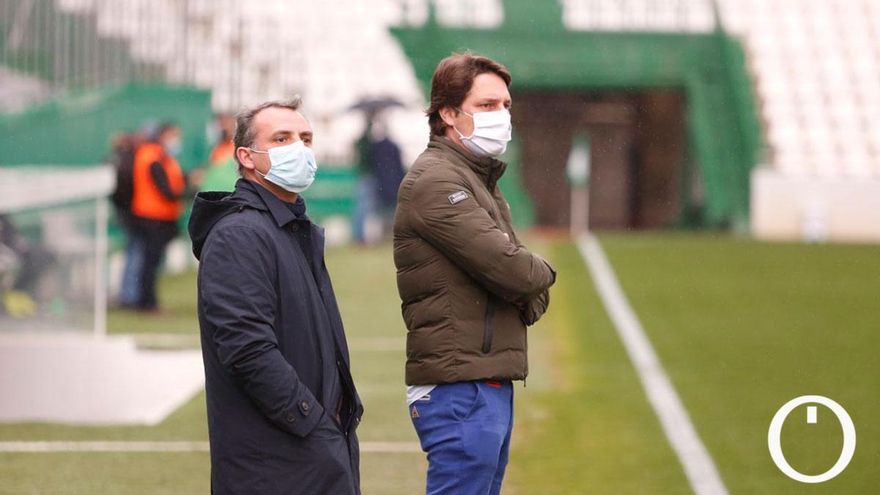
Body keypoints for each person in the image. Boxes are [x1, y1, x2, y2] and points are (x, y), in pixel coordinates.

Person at [393, 53, 557, 494]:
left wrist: (527, 281)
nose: (501, 116)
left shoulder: (478, 179)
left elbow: (522, 282)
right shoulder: (438, 182)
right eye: (487, 106)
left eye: (505, 105)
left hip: (483, 381)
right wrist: (539, 275)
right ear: (447, 113)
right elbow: (517, 270)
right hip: (458, 387)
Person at [188, 98, 363, 495]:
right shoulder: (240, 235)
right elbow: (247, 349)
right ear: (246, 157)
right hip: (276, 462)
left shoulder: (288, 229)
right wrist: (312, 423)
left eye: (305, 138)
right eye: (282, 138)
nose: (298, 148)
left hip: (309, 453)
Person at [129, 122, 185, 311]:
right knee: (150, 262)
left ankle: (146, 301)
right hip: (153, 217)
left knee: (149, 262)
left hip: (154, 215)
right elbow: (166, 190)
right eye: (173, 135)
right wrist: (187, 191)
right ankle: (147, 302)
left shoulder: (156, 156)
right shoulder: (153, 157)